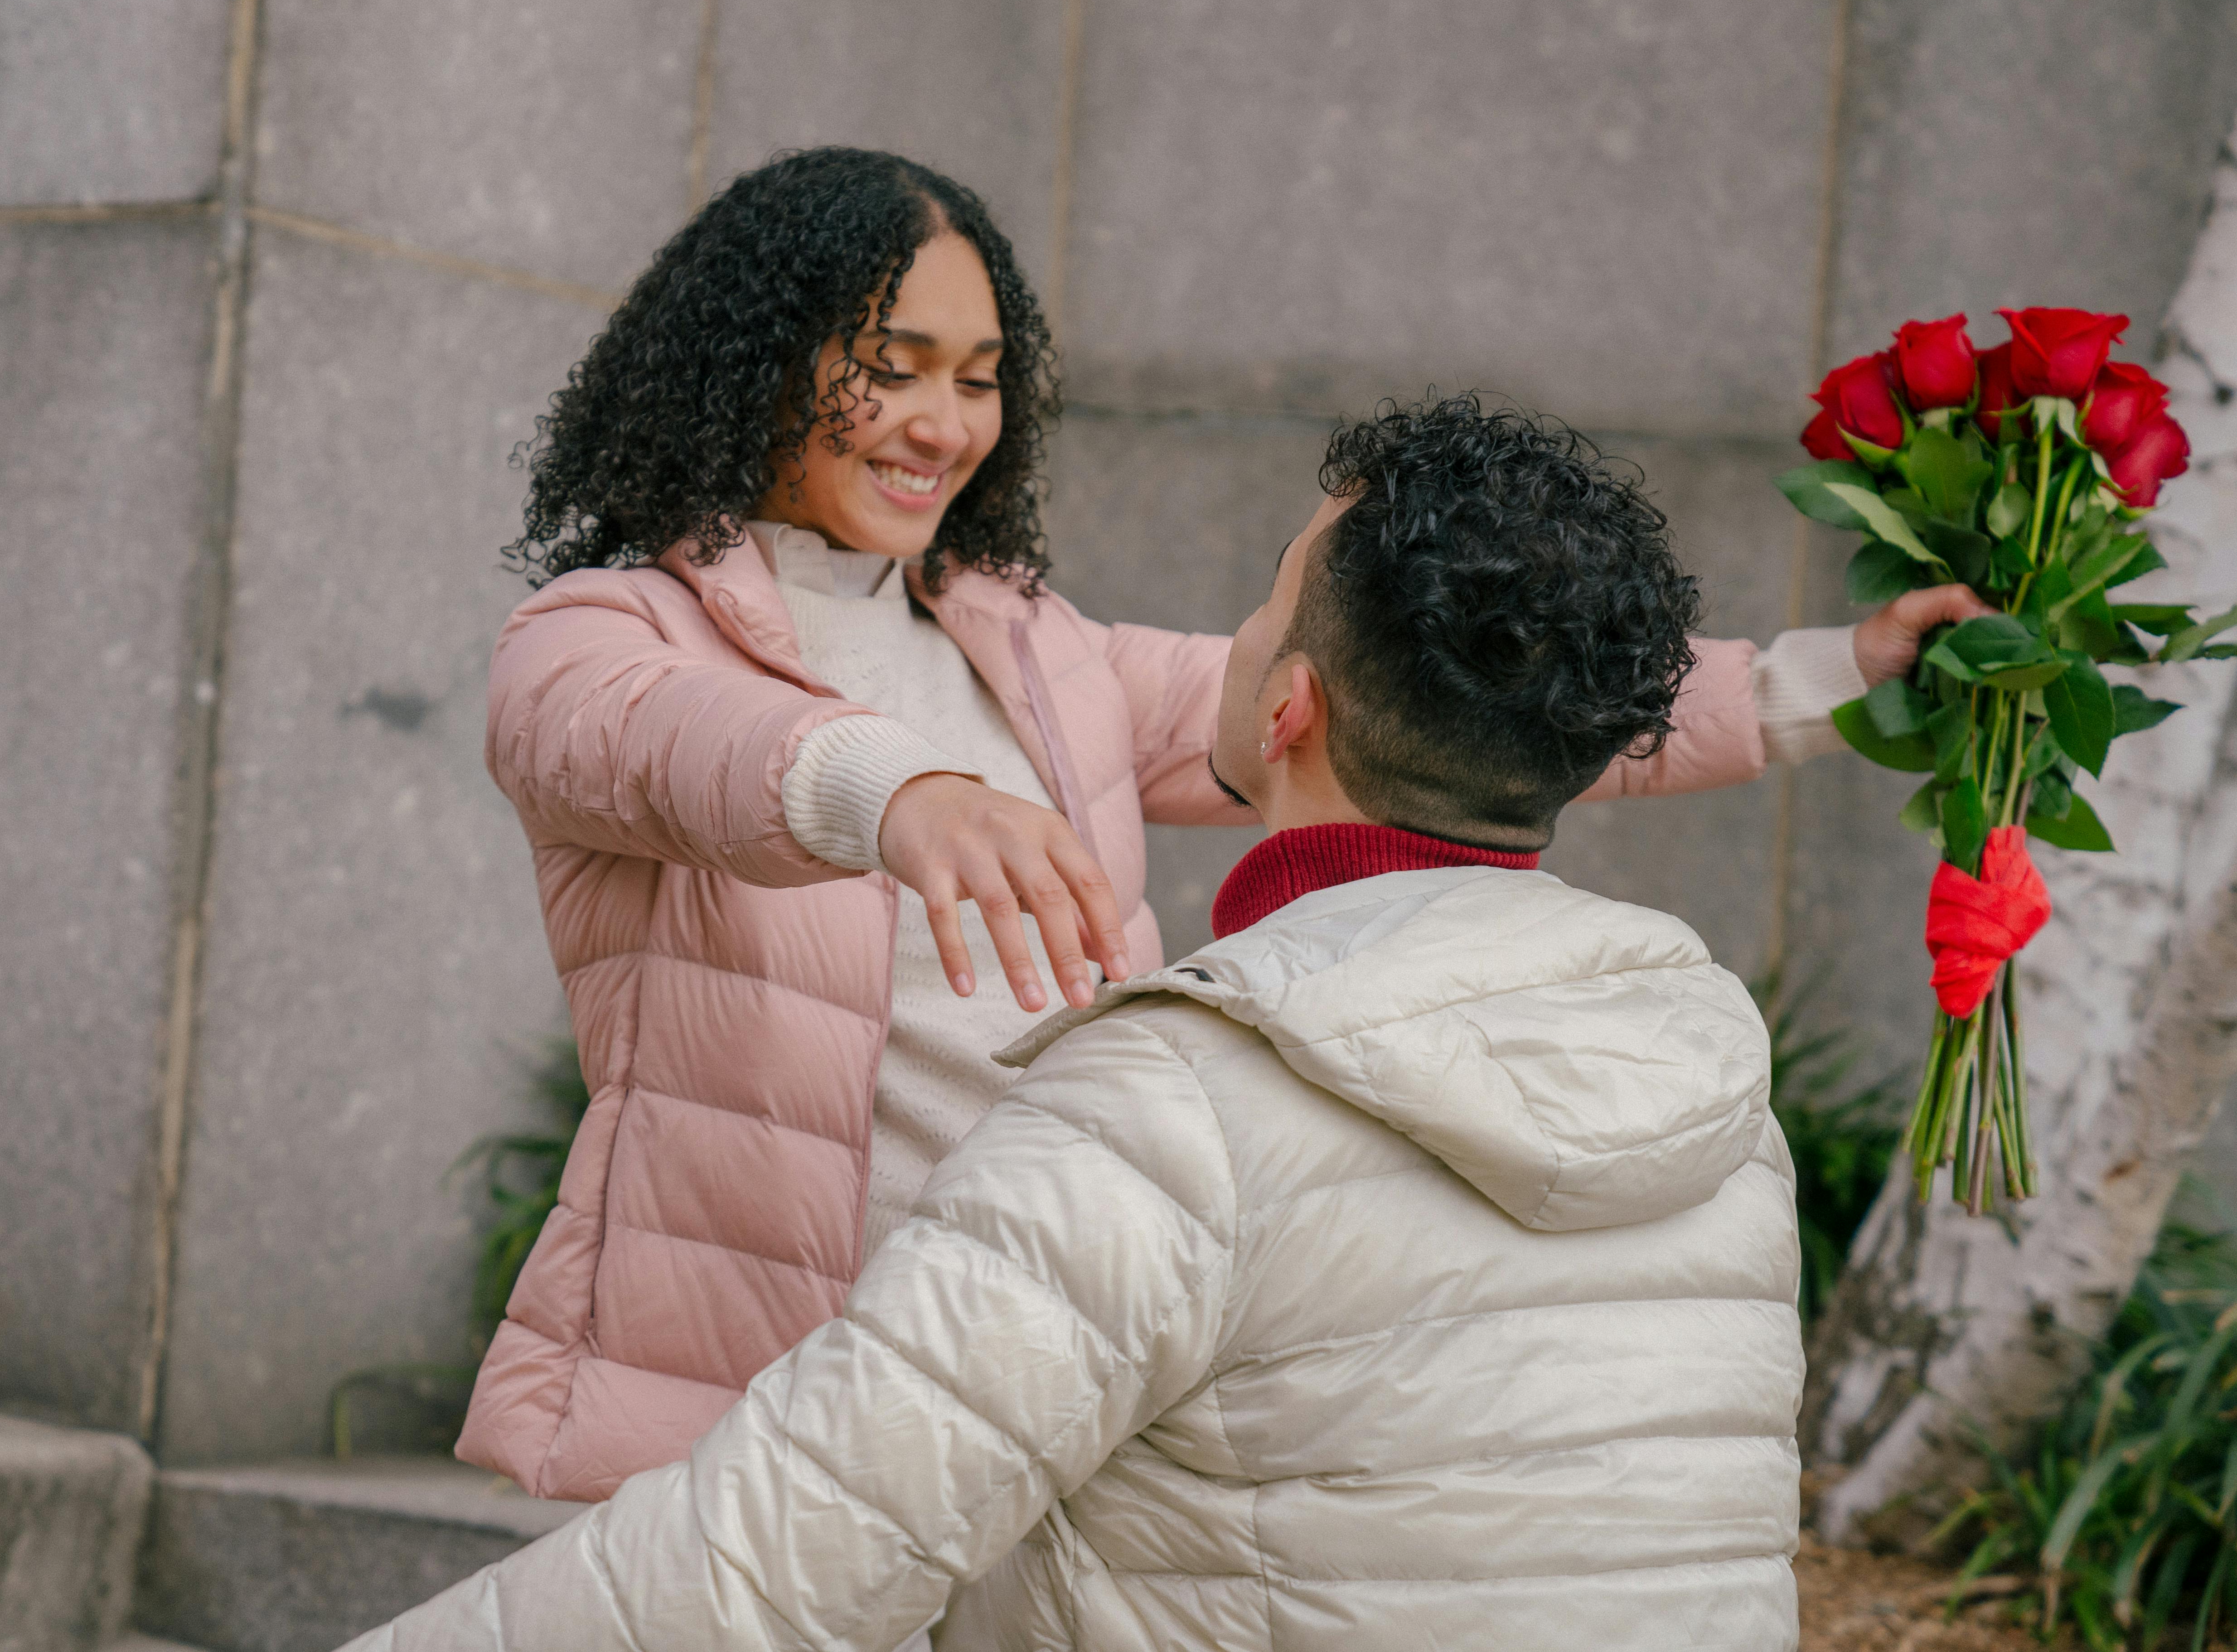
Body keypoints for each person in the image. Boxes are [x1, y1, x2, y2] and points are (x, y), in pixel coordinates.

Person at [462, 146, 1982, 1503]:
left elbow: (1439, 702)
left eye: (979, 376)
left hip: (1027, 1389)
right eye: (892, 364)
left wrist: (1825, 681)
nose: (942, 422)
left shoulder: (1036, 650)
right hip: (750, 1409)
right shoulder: (607, 631)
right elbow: (652, 747)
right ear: (754, 364)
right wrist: (897, 794)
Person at [346, 395, 1811, 1651]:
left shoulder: (1180, 1103)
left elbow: (771, 1554)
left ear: (1288, 706)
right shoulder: (1720, 1109)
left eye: (1263, 599)